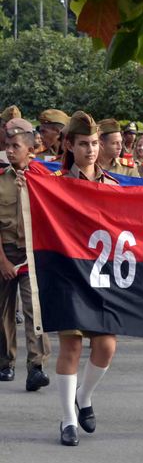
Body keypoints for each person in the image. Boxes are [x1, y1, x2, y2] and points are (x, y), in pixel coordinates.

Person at [47, 111, 119, 446]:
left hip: (103, 276)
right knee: (71, 345)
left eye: (94, 143)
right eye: (84, 144)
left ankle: (84, 396)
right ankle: (68, 420)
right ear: (69, 145)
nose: (91, 150)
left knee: (106, 345)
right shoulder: (55, 184)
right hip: (69, 274)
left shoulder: (114, 186)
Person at [0, 118, 51, 389]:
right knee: (3, 311)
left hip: (33, 253)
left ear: (30, 150)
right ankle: (5, 362)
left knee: (34, 310)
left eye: (15, 146)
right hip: (4, 252)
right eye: (7, 145)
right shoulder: (0, 179)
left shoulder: (44, 179)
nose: (9, 151)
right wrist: (3, 261)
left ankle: (36, 366)